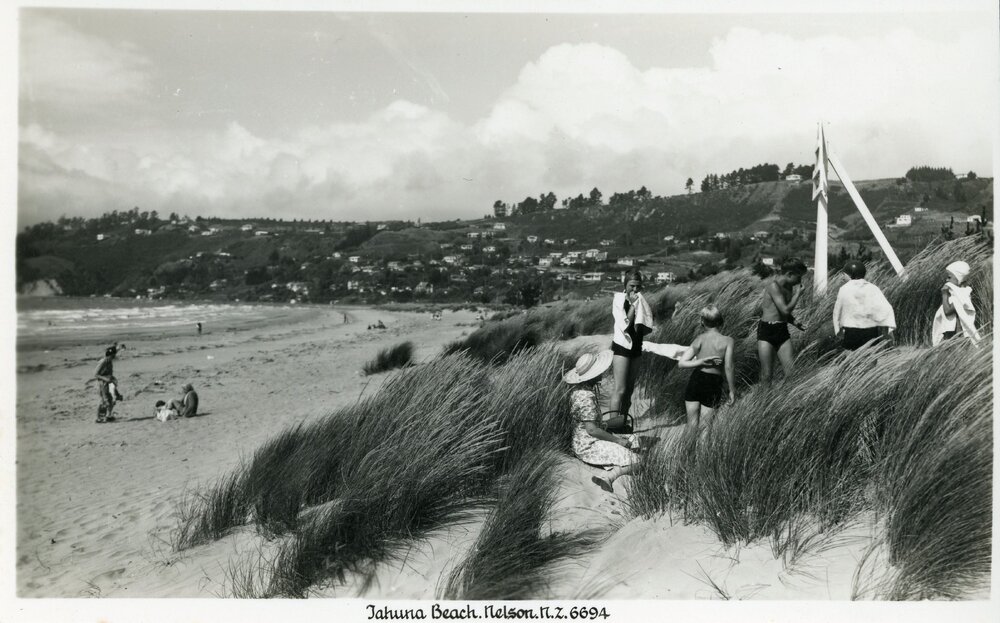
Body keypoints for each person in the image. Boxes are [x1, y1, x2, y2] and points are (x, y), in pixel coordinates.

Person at [563, 351, 641, 494]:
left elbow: (586, 422)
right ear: (592, 375)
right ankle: (609, 477)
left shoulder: (578, 391)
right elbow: (592, 430)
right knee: (637, 461)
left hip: (581, 440)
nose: (603, 373)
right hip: (588, 445)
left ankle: (614, 463)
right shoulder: (587, 397)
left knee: (635, 440)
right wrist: (617, 440)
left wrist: (608, 424)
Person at [677, 306, 735, 444]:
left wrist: (701, 361)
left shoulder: (700, 339)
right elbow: (729, 367)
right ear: (720, 320)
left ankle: (686, 456)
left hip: (696, 379)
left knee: (691, 424)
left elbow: (681, 363)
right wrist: (732, 389)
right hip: (713, 382)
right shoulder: (728, 341)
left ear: (702, 321)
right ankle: (701, 463)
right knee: (706, 427)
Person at [608, 269, 654, 430]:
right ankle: (613, 426)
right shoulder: (619, 300)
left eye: (638, 287)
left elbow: (646, 325)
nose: (635, 290)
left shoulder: (641, 300)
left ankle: (623, 422)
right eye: (632, 286)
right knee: (620, 389)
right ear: (625, 285)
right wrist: (634, 306)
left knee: (629, 389)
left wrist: (637, 304)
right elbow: (624, 324)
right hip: (622, 346)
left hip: (636, 346)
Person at [757, 258, 807, 385]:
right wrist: (798, 295)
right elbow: (785, 310)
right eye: (799, 277)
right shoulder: (774, 286)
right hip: (767, 330)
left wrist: (795, 322)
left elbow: (781, 313)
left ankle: (787, 402)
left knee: (791, 373)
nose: (800, 281)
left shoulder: (789, 287)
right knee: (767, 375)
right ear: (789, 274)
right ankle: (763, 403)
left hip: (782, 330)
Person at [832, 261, 896, 350]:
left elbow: (837, 312)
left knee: (852, 359)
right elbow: (886, 309)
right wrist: (886, 330)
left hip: (851, 331)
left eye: (844, 274)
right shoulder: (873, 288)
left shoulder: (844, 289)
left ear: (851, 274)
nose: (842, 277)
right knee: (869, 358)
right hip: (871, 331)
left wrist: (838, 331)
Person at [932, 260, 982, 346]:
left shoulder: (961, 296)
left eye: (949, 277)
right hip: (955, 334)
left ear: (959, 278)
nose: (946, 280)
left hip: (958, 336)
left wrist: (944, 294)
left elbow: (947, 311)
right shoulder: (958, 294)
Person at [93, 346, 118, 423]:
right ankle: (98, 418)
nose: (114, 356)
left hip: (108, 383)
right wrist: (105, 379)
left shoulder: (109, 362)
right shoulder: (103, 361)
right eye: (113, 355)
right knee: (103, 401)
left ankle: (108, 416)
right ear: (110, 355)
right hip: (102, 384)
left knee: (111, 399)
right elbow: (96, 374)